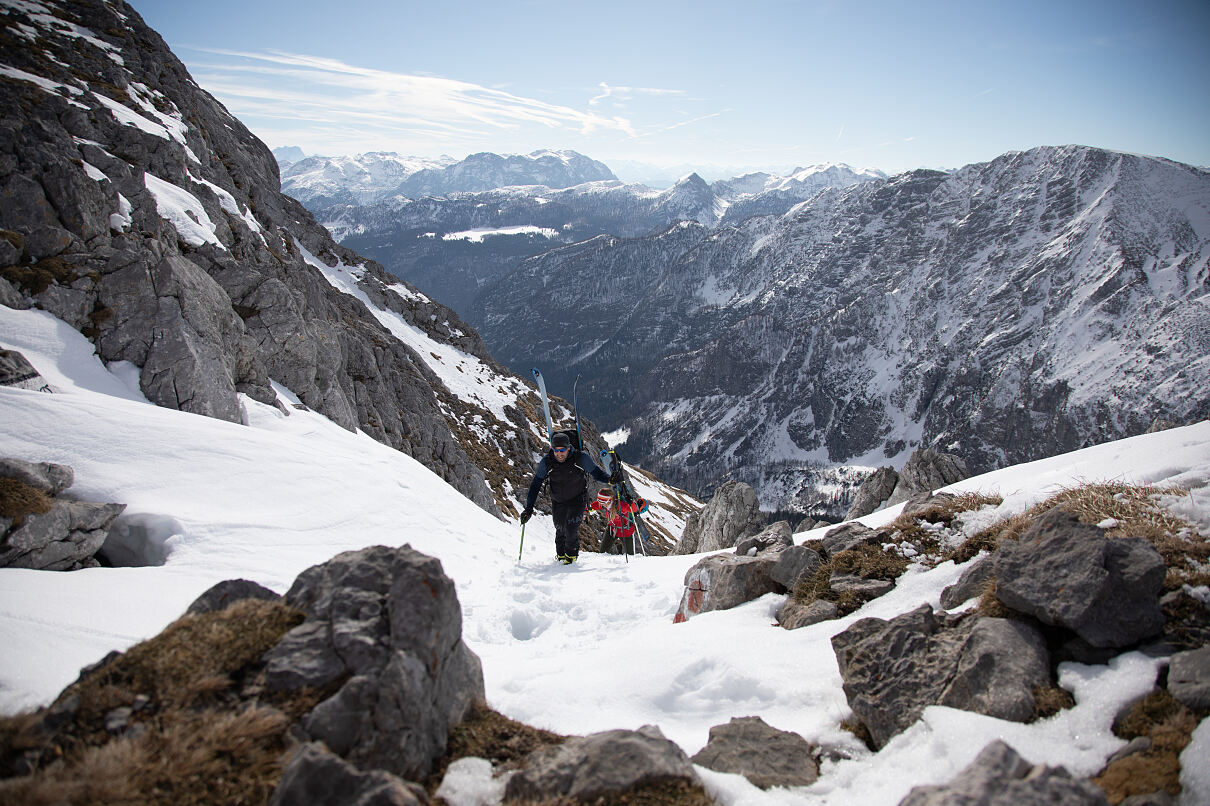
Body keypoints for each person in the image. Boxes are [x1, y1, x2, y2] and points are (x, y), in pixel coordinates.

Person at [520, 432, 616, 563]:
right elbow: (536, 484)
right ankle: (560, 558)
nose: (559, 454)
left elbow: (596, 472)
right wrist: (529, 509)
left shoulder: (580, 458)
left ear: (569, 447)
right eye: (556, 450)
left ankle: (571, 560)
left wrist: (610, 479)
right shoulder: (547, 463)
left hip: (578, 499)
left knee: (571, 528)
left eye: (562, 450)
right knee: (560, 528)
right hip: (558, 501)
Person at [589, 487, 648, 555]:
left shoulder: (621, 505)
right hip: (612, 529)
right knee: (602, 553)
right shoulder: (604, 503)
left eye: (602, 502)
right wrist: (586, 509)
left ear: (609, 500)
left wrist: (630, 501)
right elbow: (594, 506)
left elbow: (634, 509)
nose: (601, 504)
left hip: (626, 531)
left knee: (630, 556)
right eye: (600, 501)